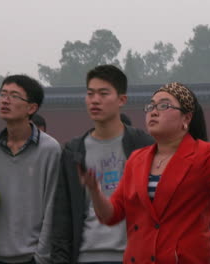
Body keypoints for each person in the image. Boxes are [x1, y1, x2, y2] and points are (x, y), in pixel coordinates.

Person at [81, 82, 210, 264]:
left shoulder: (202, 158)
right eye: (151, 106)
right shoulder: (136, 160)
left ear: (186, 118)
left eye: (164, 105)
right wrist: (95, 191)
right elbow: (111, 215)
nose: (153, 112)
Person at [51, 65, 154, 264]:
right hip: (86, 255)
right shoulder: (74, 152)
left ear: (121, 100)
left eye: (103, 93)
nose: (95, 100)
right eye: (90, 94)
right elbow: (62, 217)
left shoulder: (143, 146)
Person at [0, 75, 61, 264]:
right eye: (2, 94)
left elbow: (52, 206)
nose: (5, 100)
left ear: (31, 108)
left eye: (14, 96)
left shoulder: (50, 149)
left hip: (33, 258)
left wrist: (41, 256)